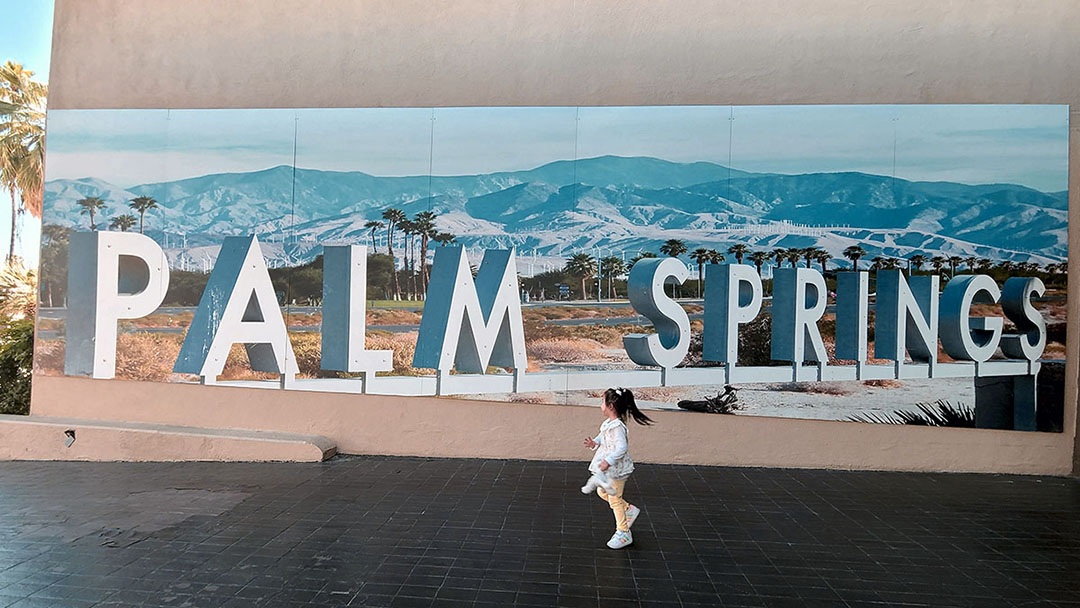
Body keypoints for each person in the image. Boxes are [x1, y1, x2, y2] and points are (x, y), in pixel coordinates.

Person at [583, 387, 654, 549]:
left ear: (611, 406)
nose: (601, 405)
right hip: (609, 469)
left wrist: (608, 460)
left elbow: (621, 447)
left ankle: (623, 532)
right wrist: (595, 442)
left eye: (602, 402)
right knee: (602, 492)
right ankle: (628, 509)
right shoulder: (609, 424)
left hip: (616, 469)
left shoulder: (618, 428)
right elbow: (603, 437)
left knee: (614, 499)